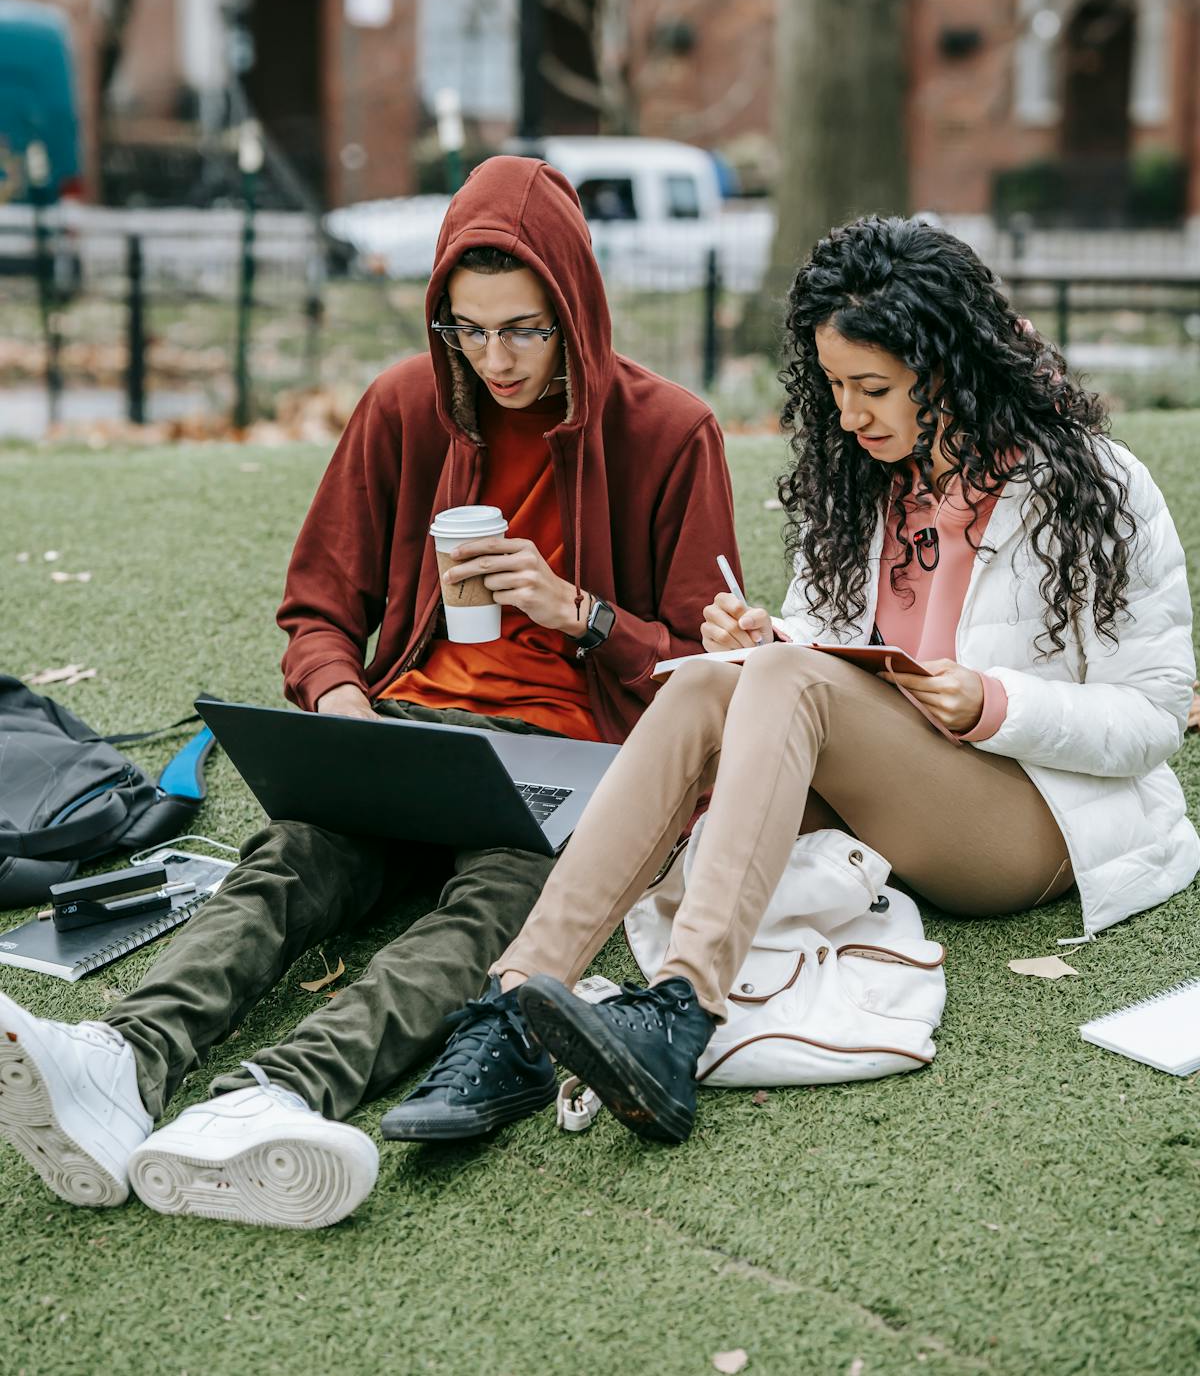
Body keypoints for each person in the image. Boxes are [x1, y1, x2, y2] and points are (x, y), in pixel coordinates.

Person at [0, 156, 739, 1224]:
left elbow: (702, 675)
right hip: (408, 729)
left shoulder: (673, 432)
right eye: (468, 331)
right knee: (290, 860)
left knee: (480, 918)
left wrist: (576, 609)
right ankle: (121, 1058)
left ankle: (269, 1099)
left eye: (525, 329)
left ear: (575, 304)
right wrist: (341, 703)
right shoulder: (406, 405)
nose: (495, 360)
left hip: (572, 765)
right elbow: (316, 611)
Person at [401, 213, 1199, 1146]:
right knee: (705, 683)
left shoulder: (1092, 485)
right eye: (833, 385)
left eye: (876, 388)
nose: (850, 414)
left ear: (953, 372)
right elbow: (824, 654)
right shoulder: (861, 477)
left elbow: (1153, 718)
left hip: (1035, 819)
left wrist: (994, 703)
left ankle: (679, 1013)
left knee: (779, 676)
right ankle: (514, 1006)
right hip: (892, 795)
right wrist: (767, 635)